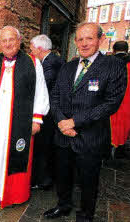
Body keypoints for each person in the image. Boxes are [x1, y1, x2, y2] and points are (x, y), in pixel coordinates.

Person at [44, 23, 127, 222]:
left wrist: (74, 122)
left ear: (100, 40)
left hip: (90, 137)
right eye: (80, 39)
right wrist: (62, 122)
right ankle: (63, 205)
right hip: (63, 135)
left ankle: (86, 214)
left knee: (89, 180)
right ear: (75, 42)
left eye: (89, 38)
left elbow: (111, 103)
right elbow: (54, 97)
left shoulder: (113, 65)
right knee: (62, 175)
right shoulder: (68, 66)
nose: (84, 43)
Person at [0, 26, 49, 208]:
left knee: (16, 156)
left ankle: (14, 195)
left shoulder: (32, 63)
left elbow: (40, 92)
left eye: (12, 39)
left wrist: (37, 119)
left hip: (19, 123)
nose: (8, 43)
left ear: (19, 41)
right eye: (4, 40)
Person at [29, 34, 64, 190]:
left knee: (43, 147)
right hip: (51, 113)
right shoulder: (51, 60)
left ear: (40, 49)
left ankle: (43, 180)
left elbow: (43, 88)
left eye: (32, 50)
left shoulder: (50, 64)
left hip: (49, 115)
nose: (31, 53)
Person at [110, 41, 130, 159]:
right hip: (127, 103)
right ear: (127, 50)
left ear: (113, 50)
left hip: (110, 101)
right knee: (124, 126)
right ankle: (120, 149)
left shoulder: (107, 63)